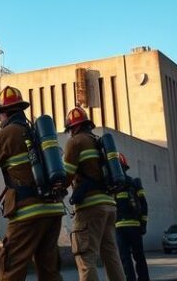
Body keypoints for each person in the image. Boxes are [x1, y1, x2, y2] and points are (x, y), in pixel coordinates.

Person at [0, 86, 66, 281]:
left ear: (4, 113)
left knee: (11, 267)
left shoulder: (7, 134)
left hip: (27, 213)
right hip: (53, 210)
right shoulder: (34, 132)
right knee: (49, 270)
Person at [63, 106, 126, 281]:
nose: (69, 134)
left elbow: (67, 174)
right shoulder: (98, 142)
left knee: (85, 256)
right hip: (109, 205)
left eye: (70, 130)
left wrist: (55, 187)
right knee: (111, 256)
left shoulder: (75, 142)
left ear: (74, 127)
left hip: (90, 207)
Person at [114, 153, 149, 281]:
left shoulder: (112, 186)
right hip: (135, 227)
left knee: (125, 258)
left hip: (120, 228)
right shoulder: (134, 183)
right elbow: (144, 204)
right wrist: (143, 224)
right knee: (139, 257)